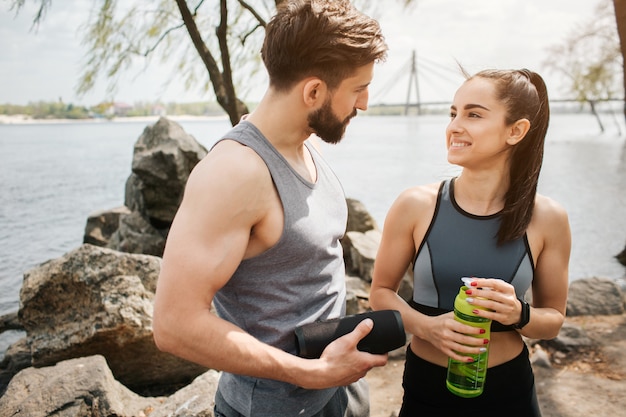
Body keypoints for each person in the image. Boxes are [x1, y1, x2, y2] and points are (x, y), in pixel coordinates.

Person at [152, 1, 389, 416]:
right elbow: (174, 325)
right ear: (314, 91)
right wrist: (308, 373)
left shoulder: (304, 145)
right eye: (358, 89)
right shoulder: (234, 172)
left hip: (337, 393)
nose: (365, 103)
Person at [370, 68, 571, 417]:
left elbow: (553, 319)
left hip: (509, 393)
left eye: (473, 114)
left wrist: (519, 313)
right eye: (453, 113)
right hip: (425, 389)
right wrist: (428, 328)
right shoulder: (415, 205)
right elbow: (380, 293)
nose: (454, 126)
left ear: (516, 131)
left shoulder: (548, 218)